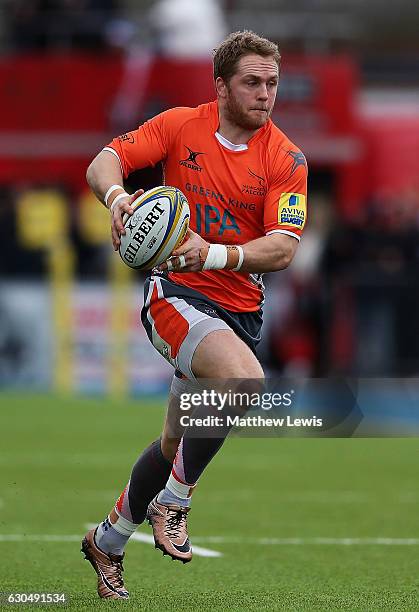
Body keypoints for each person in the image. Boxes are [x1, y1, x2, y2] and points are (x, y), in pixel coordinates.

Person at [82, 30, 308, 600]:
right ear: (221, 86)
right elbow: (105, 162)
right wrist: (117, 199)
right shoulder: (180, 124)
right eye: (252, 82)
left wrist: (214, 252)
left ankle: (108, 540)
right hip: (175, 296)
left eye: (272, 83)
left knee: (172, 443)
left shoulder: (287, 158)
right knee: (244, 381)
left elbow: (282, 249)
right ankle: (174, 504)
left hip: (240, 310)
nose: (265, 94)